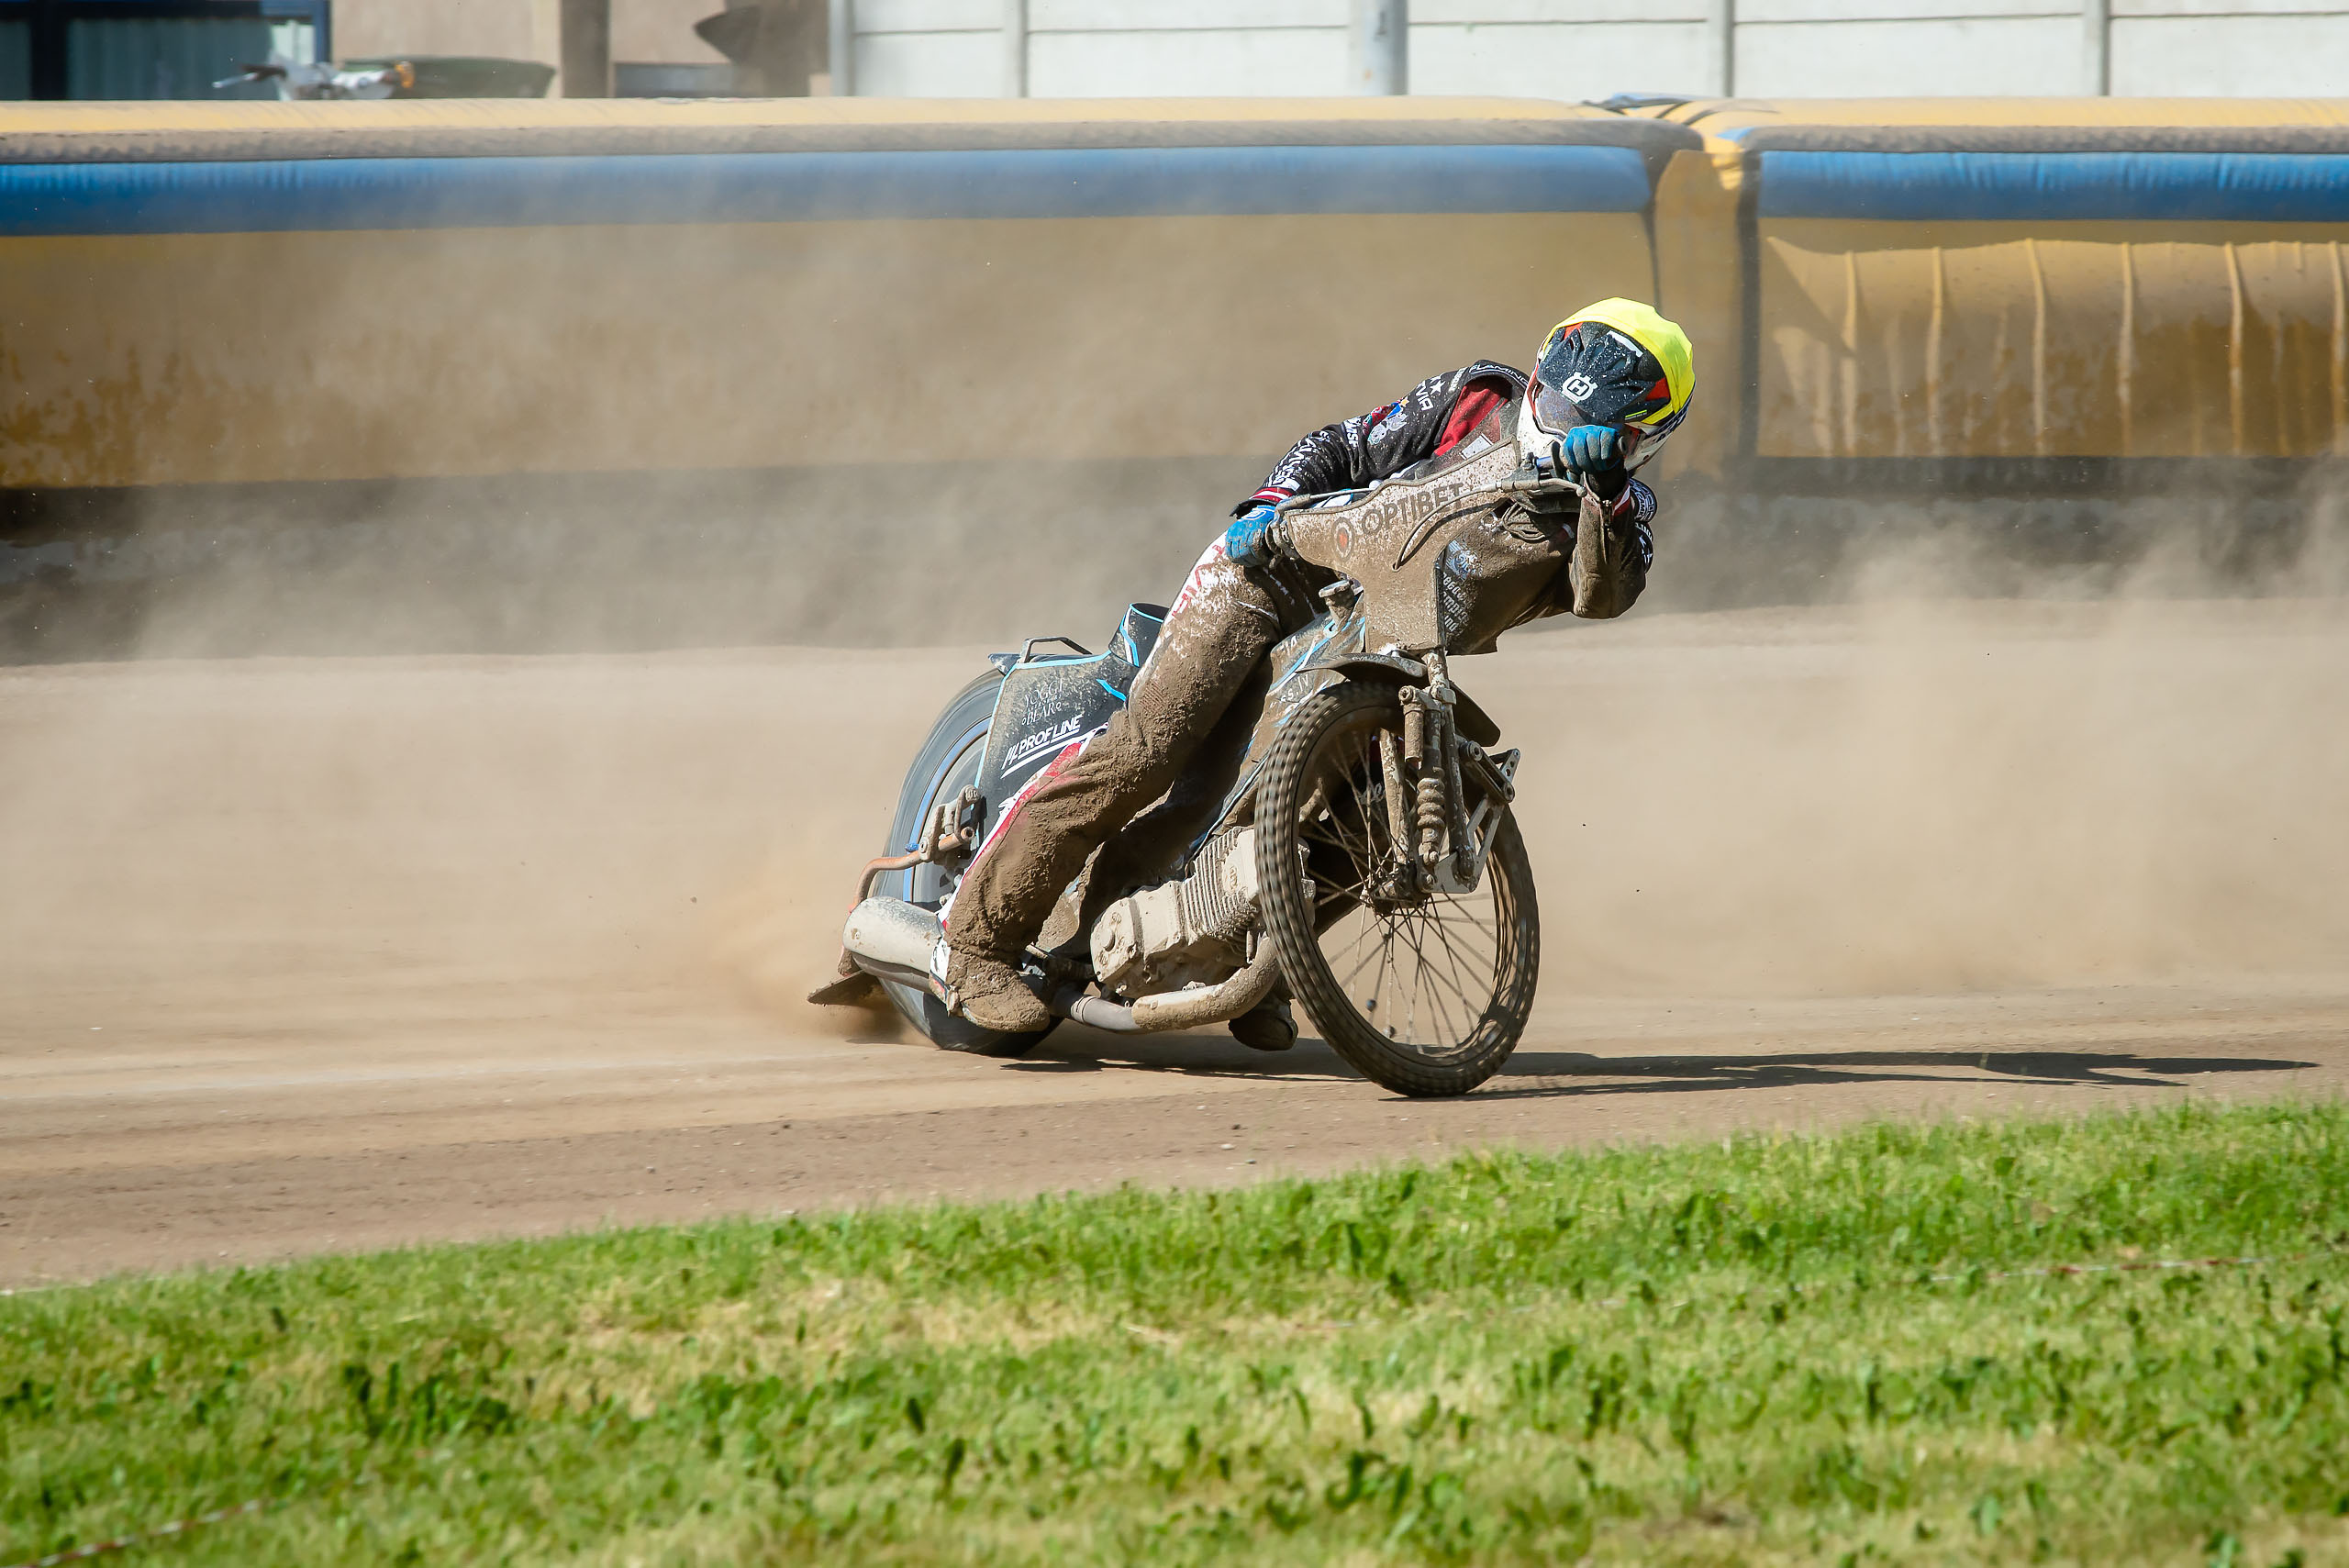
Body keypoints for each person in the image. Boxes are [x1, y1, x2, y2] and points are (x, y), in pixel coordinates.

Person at [939, 298, 1696, 1037]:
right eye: (1554, 406)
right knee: (1150, 750)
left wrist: (1604, 495)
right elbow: (1347, 443)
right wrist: (1271, 503)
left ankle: (1259, 961)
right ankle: (976, 945)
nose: (1557, 431)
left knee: (1357, 819)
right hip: (1271, 573)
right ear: (1536, 380)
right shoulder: (1476, 396)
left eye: (1593, 430)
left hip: (1372, 654)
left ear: (1640, 441)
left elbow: (1604, 596)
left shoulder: (1620, 517)